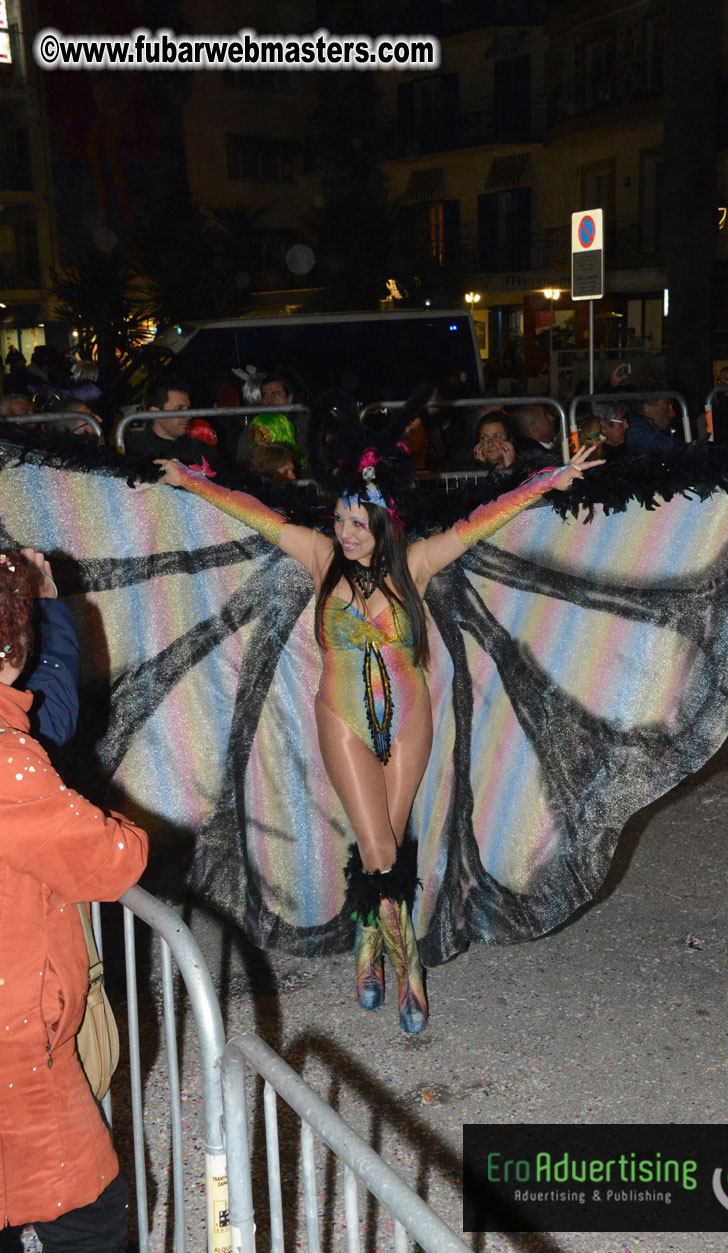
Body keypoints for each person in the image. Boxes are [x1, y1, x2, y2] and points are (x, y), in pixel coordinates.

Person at [155, 440, 603, 1032]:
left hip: (411, 719)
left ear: (386, 521)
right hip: (342, 721)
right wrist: (191, 482)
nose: (345, 532)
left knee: (386, 842)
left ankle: (367, 949)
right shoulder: (319, 558)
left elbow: (479, 522)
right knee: (380, 849)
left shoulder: (414, 564)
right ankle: (408, 972)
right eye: (339, 520)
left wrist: (548, 482)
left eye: (358, 523)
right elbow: (257, 514)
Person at [0, 549, 149, 1251]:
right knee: (86, 1208)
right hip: (15, 1050)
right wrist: (116, 828)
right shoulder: (8, 759)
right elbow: (111, 859)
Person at [124, 375, 218, 470]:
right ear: (156, 413)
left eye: (188, 409)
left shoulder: (200, 450)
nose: (188, 416)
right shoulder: (133, 451)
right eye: (179, 409)